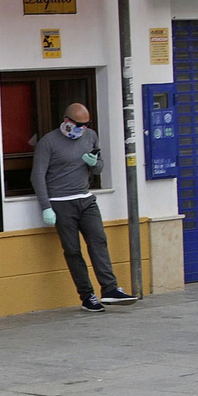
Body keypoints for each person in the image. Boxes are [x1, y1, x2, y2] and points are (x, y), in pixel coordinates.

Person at [32, 102, 138, 313]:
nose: (82, 128)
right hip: (61, 203)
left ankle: (109, 289)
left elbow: (99, 167)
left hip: (86, 199)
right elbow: (37, 176)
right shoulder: (48, 142)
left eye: (86, 124)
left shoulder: (90, 137)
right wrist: (46, 206)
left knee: (99, 241)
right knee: (73, 251)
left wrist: (93, 163)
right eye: (78, 124)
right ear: (66, 121)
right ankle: (87, 295)